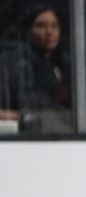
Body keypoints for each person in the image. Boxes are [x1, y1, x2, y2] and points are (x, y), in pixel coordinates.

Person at [0, 3, 71, 131]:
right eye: (41, 26)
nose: (49, 31)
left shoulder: (67, 65)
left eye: (54, 26)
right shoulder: (17, 65)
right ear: (27, 30)